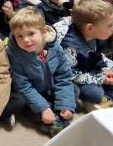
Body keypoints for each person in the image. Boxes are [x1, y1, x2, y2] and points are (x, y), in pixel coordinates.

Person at [7, 8, 75, 136]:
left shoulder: (56, 48)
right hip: (29, 91)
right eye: (19, 36)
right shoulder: (14, 55)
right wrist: (43, 108)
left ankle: (59, 108)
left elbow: (64, 77)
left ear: (44, 32)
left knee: (73, 91)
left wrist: (65, 103)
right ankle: (48, 118)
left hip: (49, 86)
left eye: (31, 33)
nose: (26, 40)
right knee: (26, 105)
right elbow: (23, 86)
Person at [55, 0, 113, 111]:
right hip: (73, 76)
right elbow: (70, 75)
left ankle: (108, 98)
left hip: (88, 68)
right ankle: (92, 99)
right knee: (94, 93)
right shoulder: (69, 46)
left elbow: (98, 56)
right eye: (110, 25)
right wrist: (99, 78)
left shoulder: (96, 35)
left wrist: (104, 68)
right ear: (90, 28)